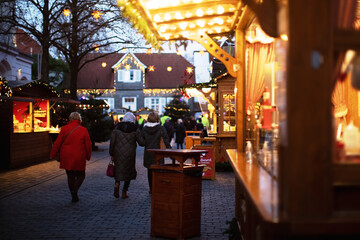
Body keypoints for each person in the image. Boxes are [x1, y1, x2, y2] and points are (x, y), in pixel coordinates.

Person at [50, 112, 92, 203]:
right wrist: (88, 156)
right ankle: (75, 190)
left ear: (70, 119)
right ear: (79, 119)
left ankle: (73, 194)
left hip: (66, 155)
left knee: (70, 175)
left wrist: (52, 154)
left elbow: (57, 143)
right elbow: (88, 145)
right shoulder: (83, 130)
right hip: (79, 155)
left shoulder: (64, 129)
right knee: (81, 175)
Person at [109, 112, 145, 199]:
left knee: (118, 169)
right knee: (128, 171)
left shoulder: (117, 127)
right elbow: (141, 143)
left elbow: (112, 141)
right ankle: (124, 192)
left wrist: (111, 153)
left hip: (118, 152)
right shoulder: (135, 129)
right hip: (130, 154)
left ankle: (117, 184)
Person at [141, 112, 171, 193]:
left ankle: (151, 188)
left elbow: (142, 142)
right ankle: (158, 188)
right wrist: (170, 151)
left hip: (148, 153)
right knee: (159, 171)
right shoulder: (161, 128)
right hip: (159, 153)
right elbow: (166, 140)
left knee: (150, 171)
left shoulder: (144, 129)